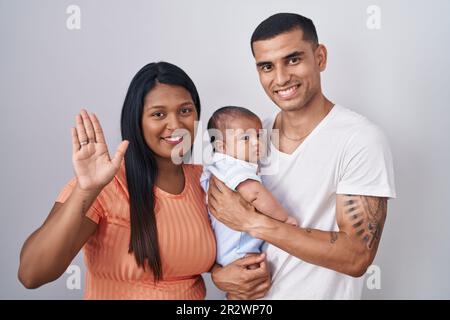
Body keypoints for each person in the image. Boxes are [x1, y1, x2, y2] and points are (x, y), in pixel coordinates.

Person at [208, 13, 396, 299]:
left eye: (293, 59)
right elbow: (217, 217)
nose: (281, 78)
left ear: (320, 57)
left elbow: (356, 256)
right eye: (267, 66)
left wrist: (254, 223)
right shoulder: (250, 138)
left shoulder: (360, 139)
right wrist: (219, 274)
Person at [18, 61, 219, 299]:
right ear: (136, 120)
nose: (175, 125)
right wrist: (86, 191)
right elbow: (32, 275)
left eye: (185, 110)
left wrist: (221, 272)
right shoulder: (105, 185)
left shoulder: (207, 180)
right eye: (158, 114)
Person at [201, 106, 297, 268]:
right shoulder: (235, 167)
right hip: (241, 249)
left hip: (226, 248)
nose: (256, 142)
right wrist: (284, 219)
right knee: (253, 279)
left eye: (259, 135)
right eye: (245, 138)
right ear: (222, 146)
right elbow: (255, 194)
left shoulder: (217, 166)